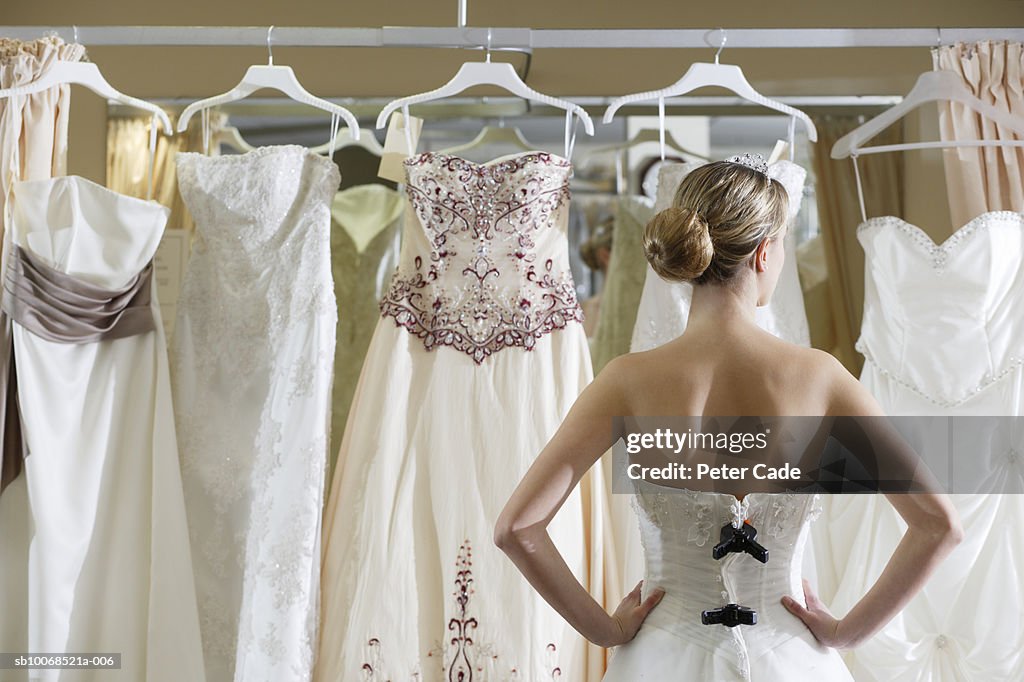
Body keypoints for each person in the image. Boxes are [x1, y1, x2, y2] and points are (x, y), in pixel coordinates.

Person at [494, 156, 963, 680]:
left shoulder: (626, 380)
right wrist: (845, 633)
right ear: (764, 252)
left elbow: (517, 528)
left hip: (658, 660)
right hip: (793, 660)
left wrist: (606, 631)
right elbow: (939, 525)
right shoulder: (820, 377)